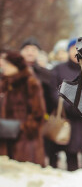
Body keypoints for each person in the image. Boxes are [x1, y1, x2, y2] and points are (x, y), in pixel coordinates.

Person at [52, 38, 82, 171]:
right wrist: (67, 106)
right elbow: (53, 91)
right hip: (69, 118)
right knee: (70, 155)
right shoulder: (58, 69)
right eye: (73, 49)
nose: (76, 52)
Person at [0, 51, 46, 166]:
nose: (3, 66)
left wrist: (22, 129)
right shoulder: (4, 83)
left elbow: (38, 114)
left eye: (6, 63)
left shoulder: (30, 82)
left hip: (26, 144)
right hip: (5, 141)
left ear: (15, 65)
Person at [19, 37, 57, 167]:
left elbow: (52, 97)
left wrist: (47, 114)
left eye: (34, 49)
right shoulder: (14, 72)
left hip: (40, 119)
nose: (30, 52)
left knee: (39, 155)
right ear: (21, 52)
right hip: (17, 120)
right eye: (27, 49)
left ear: (39, 53)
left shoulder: (46, 74)